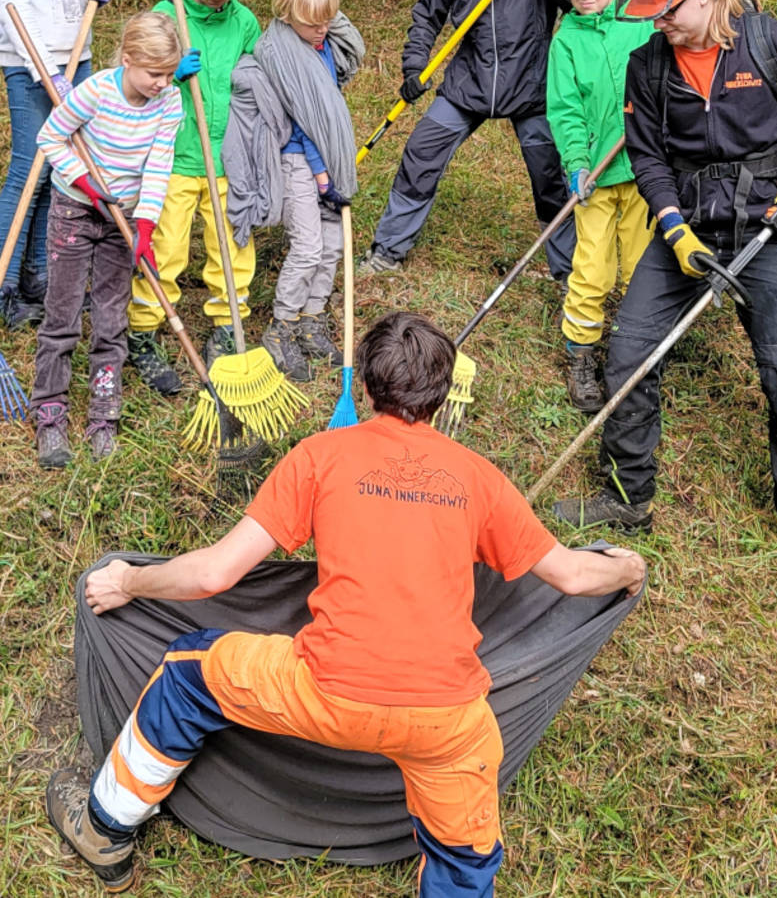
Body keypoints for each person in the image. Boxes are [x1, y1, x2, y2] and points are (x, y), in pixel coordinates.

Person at [45, 310, 646, 895]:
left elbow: (213, 574)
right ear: (442, 394)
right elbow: (568, 574)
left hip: (323, 693)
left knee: (189, 673)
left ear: (368, 385)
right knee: (466, 856)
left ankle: (104, 829)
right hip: (448, 722)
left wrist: (127, 580)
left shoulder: (319, 456)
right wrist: (627, 567)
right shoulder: (478, 477)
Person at [554, 0, 777, 588]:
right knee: (628, 358)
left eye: (669, 13)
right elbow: (646, 155)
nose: (662, 28)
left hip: (768, 229)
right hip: (687, 230)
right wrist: (672, 230)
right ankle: (628, 496)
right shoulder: (648, 63)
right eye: (652, 18)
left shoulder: (767, 43)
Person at [358, 0, 576, 282]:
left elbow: (572, 0)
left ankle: (567, 271)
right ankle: (387, 251)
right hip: (468, 84)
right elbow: (427, 15)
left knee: (551, 177)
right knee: (420, 155)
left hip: (530, 86)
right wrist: (415, 63)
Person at [30, 11, 186, 466]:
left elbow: (159, 164)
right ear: (129, 57)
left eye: (169, 74)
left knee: (111, 316)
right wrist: (86, 183)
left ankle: (104, 412)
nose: (162, 83)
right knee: (62, 314)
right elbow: (51, 137)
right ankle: (50, 411)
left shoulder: (169, 101)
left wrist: (146, 226)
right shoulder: (96, 91)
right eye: (154, 73)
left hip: (123, 218)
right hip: (76, 211)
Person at [125, 0, 261, 395]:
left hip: (227, 158)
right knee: (167, 247)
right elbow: (142, 77)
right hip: (177, 159)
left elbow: (253, 78)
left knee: (232, 243)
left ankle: (229, 325)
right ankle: (143, 329)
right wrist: (176, 74)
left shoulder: (244, 21)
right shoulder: (170, 17)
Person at [0, 0, 115, 329]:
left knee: (59, 169)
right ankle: (3, 284)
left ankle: (37, 280)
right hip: (34, 63)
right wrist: (45, 71)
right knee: (30, 167)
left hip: (76, 57)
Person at [226, 0, 363, 383]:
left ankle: (312, 318)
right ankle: (281, 327)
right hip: (299, 161)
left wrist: (327, 21)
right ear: (286, 15)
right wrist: (322, 174)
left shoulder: (323, 41)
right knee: (307, 247)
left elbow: (339, 72)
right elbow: (302, 118)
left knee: (333, 246)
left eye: (327, 20)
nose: (322, 30)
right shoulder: (277, 52)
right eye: (312, 23)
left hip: (329, 158)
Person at [546, 0, 654, 412]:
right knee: (591, 269)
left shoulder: (639, 25)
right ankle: (581, 355)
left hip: (643, 168)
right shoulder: (566, 40)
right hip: (597, 175)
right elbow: (565, 109)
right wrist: (577, 163)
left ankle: (635, 350)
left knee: (641, 265)